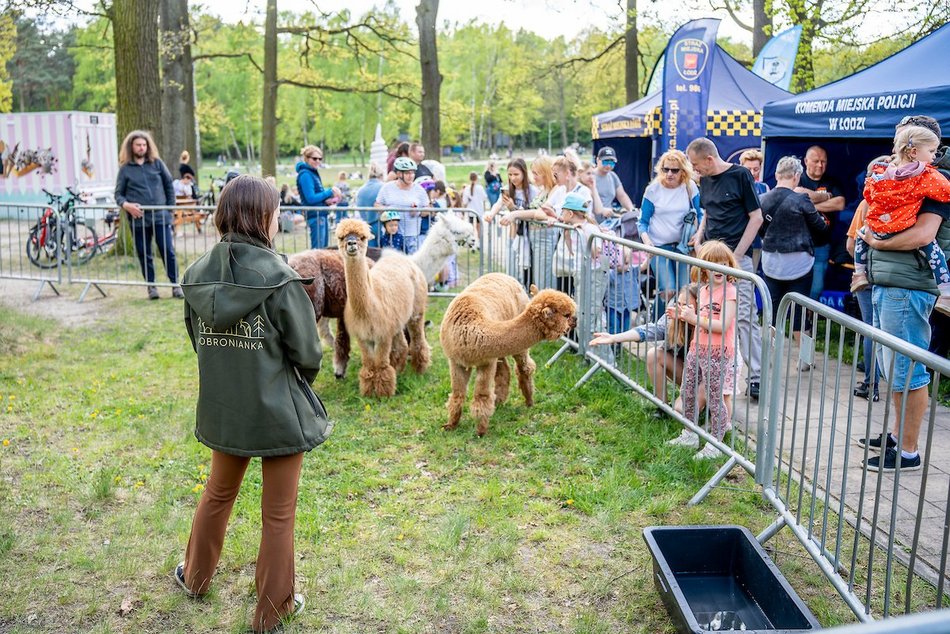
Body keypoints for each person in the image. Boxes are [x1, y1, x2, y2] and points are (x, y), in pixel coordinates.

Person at [175, 175, 330, 633]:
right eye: (276, 209)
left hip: (226, 406)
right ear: (262, 216)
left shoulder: (195, 274)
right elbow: (308, 353)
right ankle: (273, 610)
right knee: (278, 514)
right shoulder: (281, 279)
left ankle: (196, 578)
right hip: (277, 411)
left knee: (217, 494)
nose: (280, 216)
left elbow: (197, 341)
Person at [859, 114, 950, 472]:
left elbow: (923, 236)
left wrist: (874, 240)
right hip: (892, 282)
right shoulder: (905, 176)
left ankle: (908, 452)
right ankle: (897, 437)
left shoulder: (934, 181)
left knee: (908, 370)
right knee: (893, 368)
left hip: (909, 286)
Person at [686, 137, 763, 401]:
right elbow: (708, 211)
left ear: (709, 158)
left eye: (697, 165)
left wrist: (737, 256)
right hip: (710, 259)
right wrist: (698, 237)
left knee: (744, 316)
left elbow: (756, 217)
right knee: (711, 312)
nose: (696, 171)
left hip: (737, 259)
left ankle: (756, 377)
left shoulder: (740, 175)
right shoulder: (704, 180)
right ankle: (712, 371)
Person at [851, 126, 950, 316]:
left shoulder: (881, 173)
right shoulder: (927, 176)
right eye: (930, 151)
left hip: (879, 227)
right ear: (914, 152)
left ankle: (858, 274)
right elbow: (945, 192)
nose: (933, 157)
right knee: (933, 250)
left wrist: (875, 238)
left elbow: (868, 197)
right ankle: (946, 292)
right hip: (903, 226)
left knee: (861, 234)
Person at [669, 240, 739, 460]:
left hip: (718, 351)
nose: (719, 267)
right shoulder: (704, 291)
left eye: (723, 262)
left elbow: (721, 325)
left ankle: (716, 442)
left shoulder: (729, 292)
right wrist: (683, 315)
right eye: (713, 263)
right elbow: (701, 321)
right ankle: (690, 433)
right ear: (703, 268)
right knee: (687, 391)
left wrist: (694, 317)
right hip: (697, 348)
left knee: (714, 396)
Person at [590, 284, 701, 420]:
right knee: (654, 354)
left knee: (680, 409)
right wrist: (614, 338)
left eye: (686, 305)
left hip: (705, 381)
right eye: (678, 303)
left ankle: (706, 406)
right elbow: (650, 330)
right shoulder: (674, 320)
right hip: (687, 376)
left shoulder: (706, 327)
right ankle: (663, 408)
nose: (680, 308)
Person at [759, 156, 829, 355]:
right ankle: (805, 358)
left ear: (777, 175)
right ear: (797, 176)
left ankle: (764, 355)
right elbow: (821, 228)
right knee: (800, 312)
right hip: (800, 263)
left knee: (770, 311)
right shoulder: (801, 199)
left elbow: (759, 229)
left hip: (771, 262)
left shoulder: (763, 199)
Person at [114, 129, 181, 300]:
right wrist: (127, 205)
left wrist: (170, 209)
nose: (141, 148)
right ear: (131, 147)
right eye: (138, 145)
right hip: (138, 220)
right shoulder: (125, 170)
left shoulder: (157, 164)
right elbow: (118, 195)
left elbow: (168, 185)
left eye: (144, 145)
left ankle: (175, 285)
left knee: (167, 250)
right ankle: (151, 287)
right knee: (144, 253)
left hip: (160, 217)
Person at [638, 149, 703, 318]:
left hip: (684, 248)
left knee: (685, 292)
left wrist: (698, 236)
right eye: (665, 169)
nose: (669, 174)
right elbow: (642, 222)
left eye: (675, 170)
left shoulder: (690, 187)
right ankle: (658, 325)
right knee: (667, 290)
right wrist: (647, 243)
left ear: (683, 171)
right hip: (659, 247)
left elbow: (701, 214)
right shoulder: (653, 190)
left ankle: (679, 336)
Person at [794, 146, 846, 301]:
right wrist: (826, 197)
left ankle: (810, 319)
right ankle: (798, 318)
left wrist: (809, 205)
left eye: (823, 161)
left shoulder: (832, 181)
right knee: (798, 284)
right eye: (816, 161)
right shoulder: (798, 179)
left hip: (821, 244)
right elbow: (796, 193)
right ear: (806, 161)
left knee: (817, 286)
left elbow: (840, 203)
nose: (820, 165)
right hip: (799, 243)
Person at [846, 192, 881, 403]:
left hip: (868, 276)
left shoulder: (867, 202)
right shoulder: (909, 199)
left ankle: (871, 385)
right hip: (896, 279)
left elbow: (851, 244)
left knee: (871, 328)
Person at [374, 157, 428, 255]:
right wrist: (388, 211)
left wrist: (418, 211)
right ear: (399, 174)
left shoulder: (419, 190)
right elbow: (377, 205)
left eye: (412, 173)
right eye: (407, 173)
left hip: (411, 236)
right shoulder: (387, 188)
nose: (411, 176)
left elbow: (428, 209)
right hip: (391, 236)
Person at [296, 145, 339, 249]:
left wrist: (326, 201)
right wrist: (329, 191)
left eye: (320, 159)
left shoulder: (312, 173)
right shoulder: (305, 174)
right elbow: (310, 198)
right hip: (315, 216)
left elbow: (316, 195)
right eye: (314, 158)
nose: (318, 161)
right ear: (306, 158)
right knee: (317, 251)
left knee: (323, 250)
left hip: (321, 214)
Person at [592, 146, 635, 219]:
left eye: (612, 163)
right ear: (597, 160)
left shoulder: (613, 176)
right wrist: (601, 210)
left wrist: (631, 209)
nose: (608, 166)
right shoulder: (590, 176)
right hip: (592, 221)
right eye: (605, 162)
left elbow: (622, 196)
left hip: (607, 221)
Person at [355, 162, 385, 246]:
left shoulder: (361, 190)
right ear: (381, 175)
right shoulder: (383, 187)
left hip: (365, 225)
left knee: (369, 253)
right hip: (380, 224)